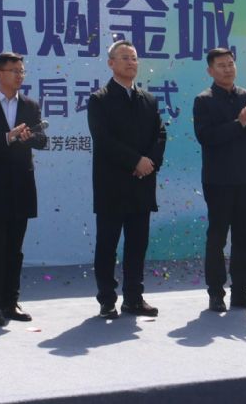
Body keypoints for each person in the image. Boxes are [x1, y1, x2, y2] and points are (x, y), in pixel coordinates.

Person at [87, 40, 166, 319]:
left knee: (137, 245)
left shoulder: (148, 100)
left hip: (142, 184)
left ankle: (134, 298)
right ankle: (107, 299)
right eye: (125, 58)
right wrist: (135, 161)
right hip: (112, 185)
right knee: (107, 245)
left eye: (134, 58)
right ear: (111, 63)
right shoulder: (100, 99)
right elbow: (103, 140)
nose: (131, 62)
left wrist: (149, 162)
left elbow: (160, 135)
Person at [0, 53, 48, 326]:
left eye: (22, 71)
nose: (19, 75)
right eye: (14, 70)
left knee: (15, 249)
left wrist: (28, 138)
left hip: (22, 184)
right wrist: (7, 137)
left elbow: (42, 141)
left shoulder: (30, 105)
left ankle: (10, 302)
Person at [193, 47, 246, 312]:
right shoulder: (204, 100)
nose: (228, 69)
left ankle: (241, 292)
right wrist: (240, 123)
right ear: (210, 70)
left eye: (230, 64)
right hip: (218, 180)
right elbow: (206, 137)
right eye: (221, 65)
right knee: (217, 238)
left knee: (243, 237)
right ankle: (216, 293)